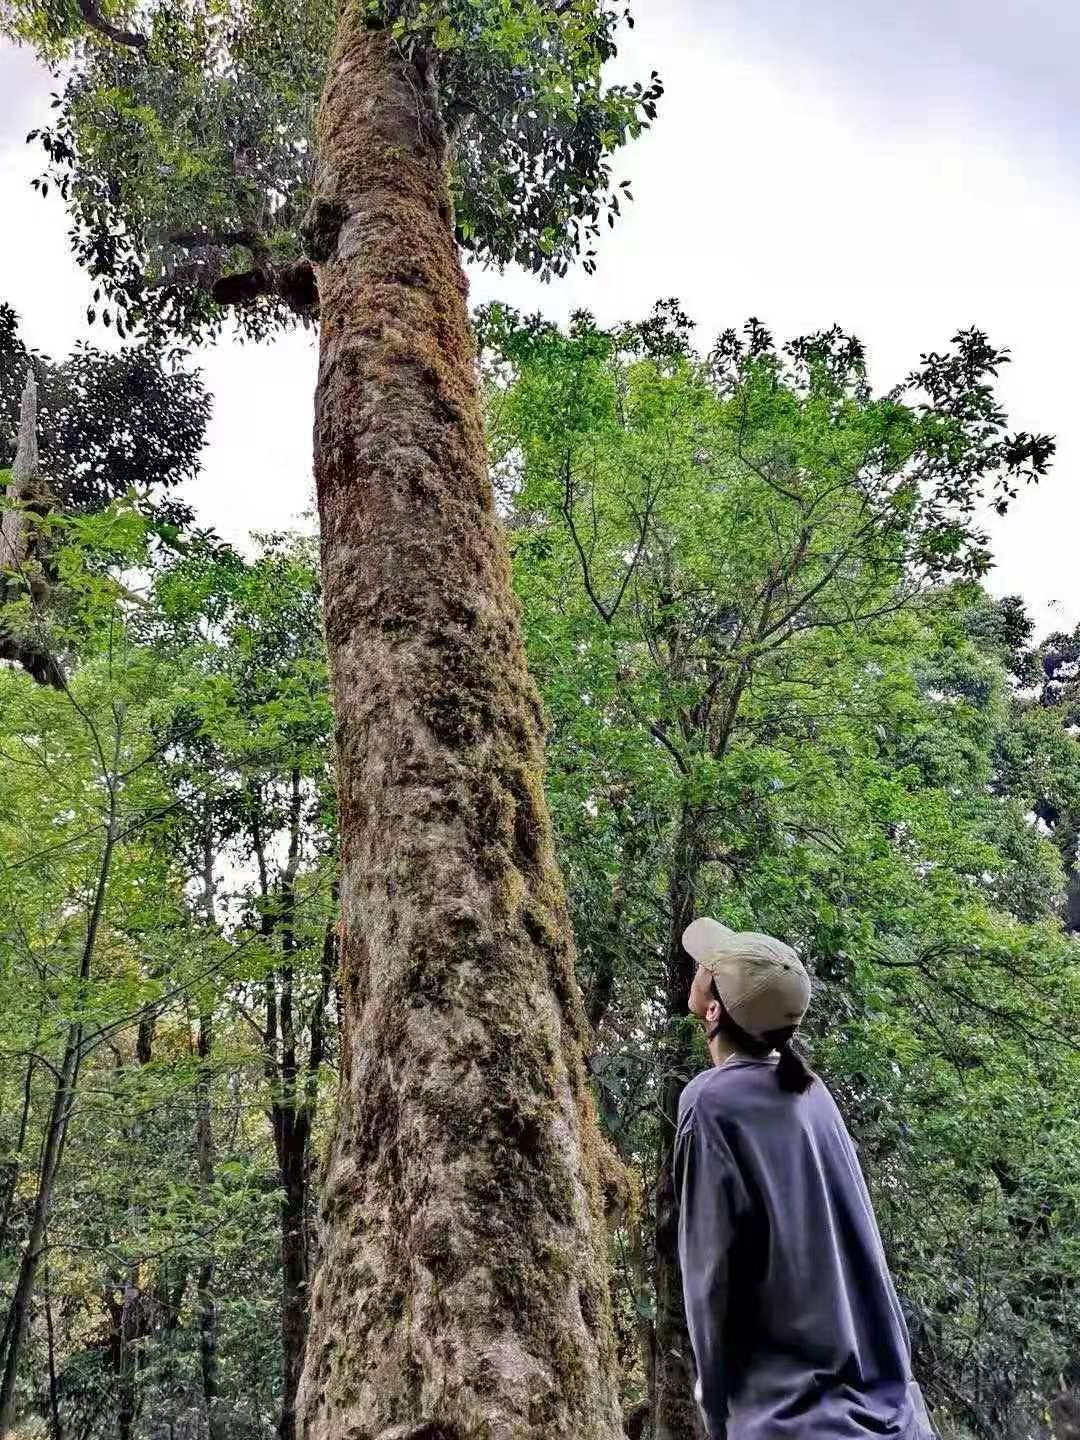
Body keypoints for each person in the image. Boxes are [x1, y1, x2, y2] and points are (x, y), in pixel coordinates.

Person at [674, 915, 936, 1440]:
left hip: (795, 1422)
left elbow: (710, 1278)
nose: (698, 970)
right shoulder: (812, 1095)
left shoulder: (710, 1104)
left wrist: (717, 1408)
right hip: (896, 1420)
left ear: (714, 1009)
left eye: (709, 969)